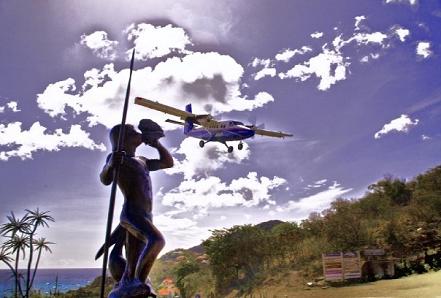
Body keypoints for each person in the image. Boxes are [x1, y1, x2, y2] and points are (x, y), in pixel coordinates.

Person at [99, 122, 173, 297]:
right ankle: (137, 283)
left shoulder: (143, 161)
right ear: (122, 139)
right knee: (157, 241)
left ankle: (131, 280)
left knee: (134, 256)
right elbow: (105, 179)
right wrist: (110, 165)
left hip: (146, 215)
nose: (139, 134)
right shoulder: (118, 158)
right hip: (132, 213)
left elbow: (167, 163)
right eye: (134, 133)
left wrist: (157, 144)